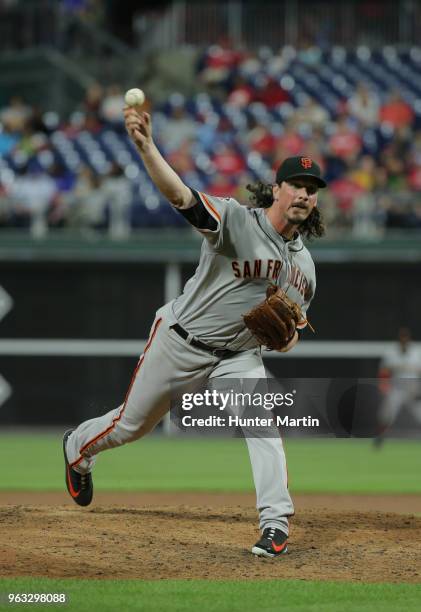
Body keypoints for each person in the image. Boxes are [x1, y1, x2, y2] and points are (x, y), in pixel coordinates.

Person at [62, 104, 327, 559]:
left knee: (262, 427)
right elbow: (180, 197)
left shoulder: (305, 267)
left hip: (239, 358)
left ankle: (275, 523)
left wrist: (285, 339)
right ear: (277, 189)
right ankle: (77, 447)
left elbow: (293, 334)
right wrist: (147, 147)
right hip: (181, 340)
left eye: (312, 188)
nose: (304, 194)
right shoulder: (237, 221)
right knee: (131, 426)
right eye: (296, 185)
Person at [375, 327, 421, 447]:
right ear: (399, 339)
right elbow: (384, 372)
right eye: (402, 338)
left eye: (406, 338)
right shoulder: (391, 352)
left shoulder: (417, 352)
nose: (404, 340)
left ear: (409, 339)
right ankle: (379, 438)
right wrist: (384, 384)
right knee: (386, 414)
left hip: (414, 389)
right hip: (397, 388)